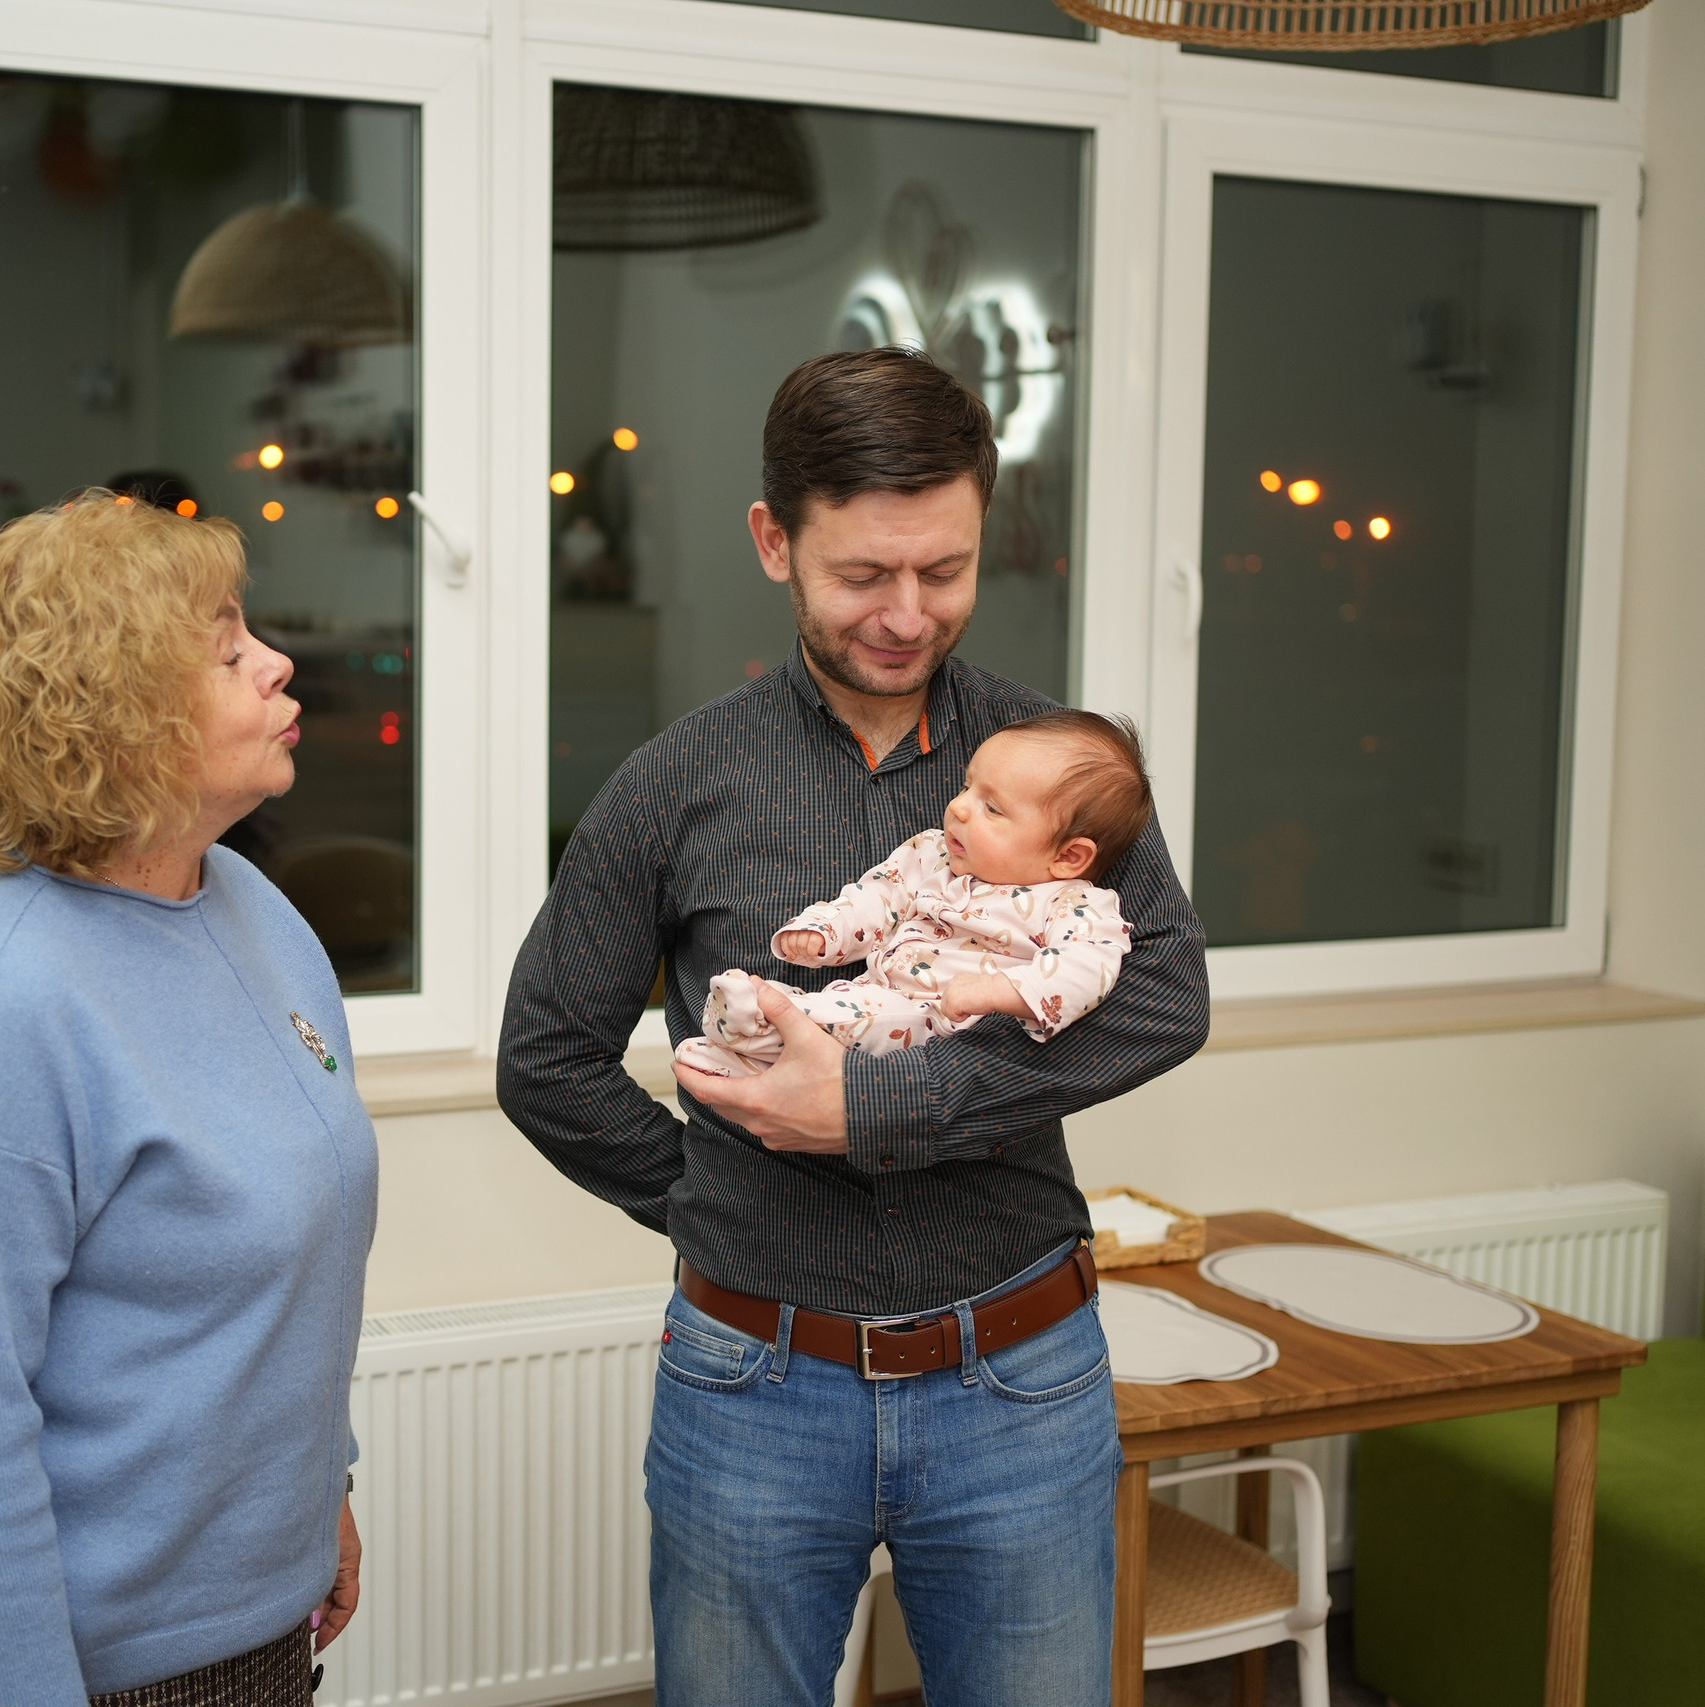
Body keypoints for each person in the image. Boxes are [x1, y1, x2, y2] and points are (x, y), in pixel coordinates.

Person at [498, 349, 1209, 1707]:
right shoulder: (676, 781)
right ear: (776, 541)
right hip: (753, 1378)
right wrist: (718, 1190)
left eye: (943, 569)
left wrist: (867, 1113)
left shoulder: (1052, 763)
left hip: (1025, 1375)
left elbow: (1167, 990)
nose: (906, 611)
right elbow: (545, 1058)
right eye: (862, 574)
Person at [0, 490, 376, 1707]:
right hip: (86, 1663)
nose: (276, 663)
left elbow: (278, 1293)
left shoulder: (253, 908)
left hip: (260, 1609)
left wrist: (325, 1500)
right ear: (118, 717)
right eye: (225, 651)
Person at [674, 710, 1145, 1078]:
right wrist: (824, 930)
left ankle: (759, 1021)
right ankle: (747, 1053)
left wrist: (1003, 991)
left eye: (993, 808)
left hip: (935, 1023)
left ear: (1068, 857)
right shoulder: (933, 853)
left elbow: (1090, 966)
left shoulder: (1076, 904)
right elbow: (877, 897)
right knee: (841, 1010)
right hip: (875, 989)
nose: (959, 808)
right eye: (967, 786)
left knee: (843, 1017)